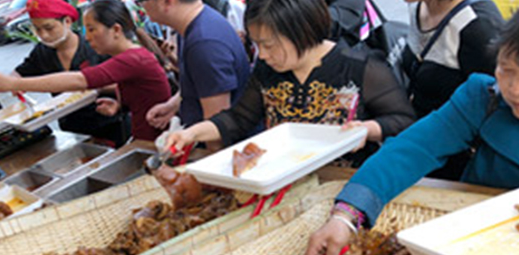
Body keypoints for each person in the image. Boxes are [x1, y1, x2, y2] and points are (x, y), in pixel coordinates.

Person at [304, 0, 519, 255]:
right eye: (507, 69)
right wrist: (347, 214)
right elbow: (412, 150)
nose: (517, 88)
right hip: (475, 248)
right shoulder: (484, 98)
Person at [165, 0, 415, 166]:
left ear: (301, 32)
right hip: (284, 179)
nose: (262, 55)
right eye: (257, 44)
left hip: (343, 182)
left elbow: (404, 120)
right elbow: (237, 119)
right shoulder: (267, 71)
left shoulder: (360, 66)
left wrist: (367, 129)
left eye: (269, 45)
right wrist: (191, 133)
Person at [0, 0, 171, 143]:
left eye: (92, 29)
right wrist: (118, 105)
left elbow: (80, 80)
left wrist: (13, 84)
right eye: (37, 30)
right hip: (117, 134)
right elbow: (138, 95)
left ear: (116, 30)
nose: (88, 37)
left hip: (150, 138)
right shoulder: (42, 52)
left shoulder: (132, 58)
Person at [401, 0, 504, 179]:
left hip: (453, 157)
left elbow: (499, 99)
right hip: (418, 144)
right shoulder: (417, 7)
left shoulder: (478, 27)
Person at [8, 0, 130, 147]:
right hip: (73, 129)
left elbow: (126, 80)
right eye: (37, 30)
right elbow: (18, 74)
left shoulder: (95, 46)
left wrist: (96, 86)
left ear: (67, 21)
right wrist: (14, 83)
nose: (44, 35)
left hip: (111, 122)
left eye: (49, 28)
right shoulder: (41, 52)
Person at [141, 0, 251, 139]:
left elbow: (217, 127)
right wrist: (173, 105)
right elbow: (199, 82)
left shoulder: (204, 44)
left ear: (167, 2)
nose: (142, 5)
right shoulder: (191, 26)